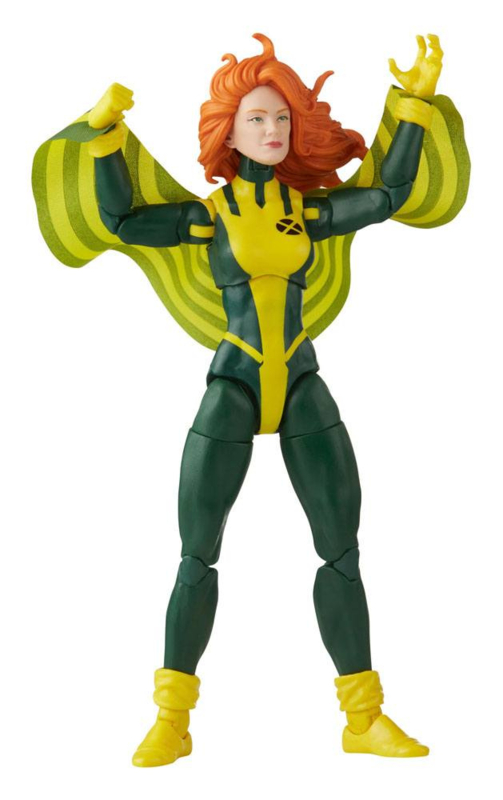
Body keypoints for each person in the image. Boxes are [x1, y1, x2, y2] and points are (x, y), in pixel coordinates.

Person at [37, 33, 454, 765]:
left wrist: (414, 103)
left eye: (281, 118)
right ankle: (171, 718)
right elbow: (123, 220)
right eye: (257, 118)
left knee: (341, 552)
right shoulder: (211, 215)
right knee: (197, 556)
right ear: (227, 133)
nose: (272, 130)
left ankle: (363, 718)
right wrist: (104, 137)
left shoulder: (305, 212)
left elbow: (386, 196)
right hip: (232, 386)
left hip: (301, 384)